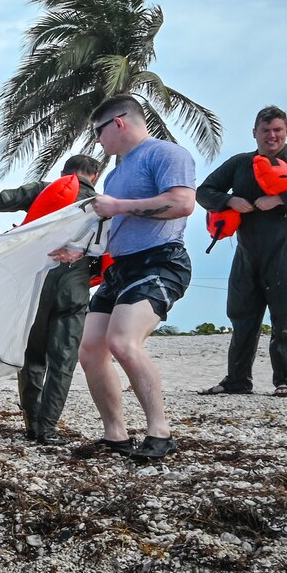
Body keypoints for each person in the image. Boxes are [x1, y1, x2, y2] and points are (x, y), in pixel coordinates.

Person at [51, 95, 197, 460]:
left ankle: (160, 433)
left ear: (118, 123)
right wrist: (81, 251)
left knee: (122, 341)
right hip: (120, 268)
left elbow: (182, 203)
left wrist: (119, 206)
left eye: (98, 132)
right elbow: (115, 227)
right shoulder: (116, 174)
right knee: (90, 347)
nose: (97, 141)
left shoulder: (166, 154)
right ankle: (116, 435)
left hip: (160, 261)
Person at [0, 154, 102, 443]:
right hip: (74, 286)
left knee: (33, 356)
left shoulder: (45, 189)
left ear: (63, 174)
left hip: (37, 281)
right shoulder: (101, 204)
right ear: (96, 176)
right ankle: (48, 428)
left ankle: (31, 422)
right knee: (63, 360)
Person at [196, 105, 287, 396]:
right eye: (265, 131)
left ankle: (286, 380)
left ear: (286, 131)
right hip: (247, 253)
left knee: (286, 318)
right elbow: (204, 192)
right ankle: (237, 380)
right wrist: (229, 201)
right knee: (241, 318)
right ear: (255, 133)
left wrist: (280, 199)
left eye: (277, 130)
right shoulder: (240, 164)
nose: (271, 136)